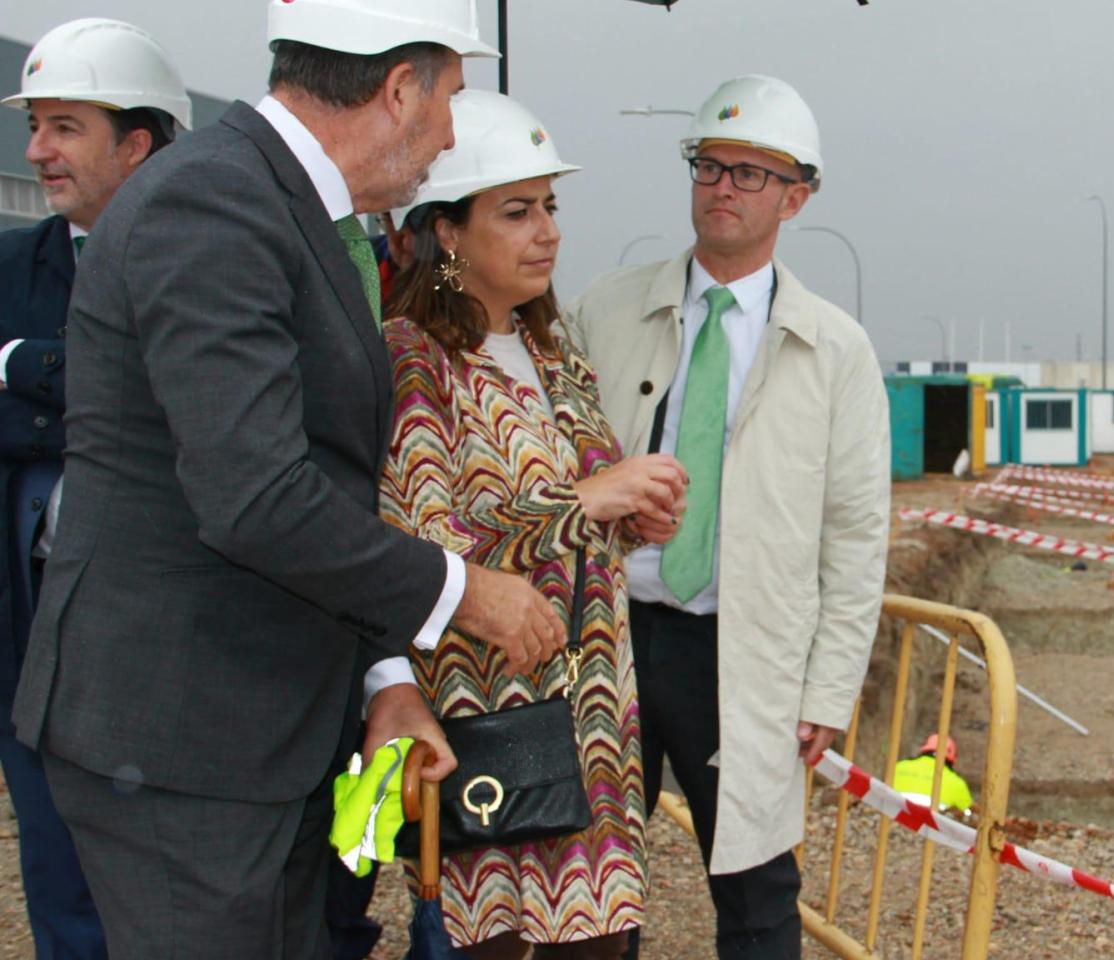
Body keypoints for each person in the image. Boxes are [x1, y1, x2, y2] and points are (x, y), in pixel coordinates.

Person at [11, 3, 571, 956]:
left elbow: (324, 477)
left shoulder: (285, 206)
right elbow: (258, 498)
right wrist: (462, 591)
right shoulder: (216, 206)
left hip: (263, 735)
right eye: (451, 100)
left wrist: (387, 677)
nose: (446, 137)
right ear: (400, 89)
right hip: (182, 744)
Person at [569, 74, 890, 959]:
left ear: (798, 196)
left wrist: (829, 688)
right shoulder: (605, 309)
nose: (723, 188)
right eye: (710, 165)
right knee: (590, 886)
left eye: (752, 174)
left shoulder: (836, 351)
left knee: (755, 894)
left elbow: (857, 536)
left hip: (741, 653)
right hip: (610, 639)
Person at [381, 90, 683, 960]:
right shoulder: (413, 358)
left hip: (594, 727)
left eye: (550, 206)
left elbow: (592, 518)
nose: (546, 229)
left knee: (601, 945)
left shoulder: (557, 353)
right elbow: (420, 549)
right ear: (447, 231)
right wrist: (592, 501)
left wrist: (638, 516)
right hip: (488, 728)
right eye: (516, 211)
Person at [0, 18, 192, 959]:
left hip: (174, 648)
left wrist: (21, 369)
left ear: (138, 142)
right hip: (34, 637)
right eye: (36, 125)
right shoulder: (12, 266)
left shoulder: (206, 262)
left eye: (64, 126)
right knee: (62, 884)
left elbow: (180, 412)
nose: (37, 150)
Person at [892, 734, 974, 815]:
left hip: (894, 817)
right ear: (951, 756)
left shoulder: (899, 766)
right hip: (928, 825)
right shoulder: (958, 783)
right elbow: (969, 811)